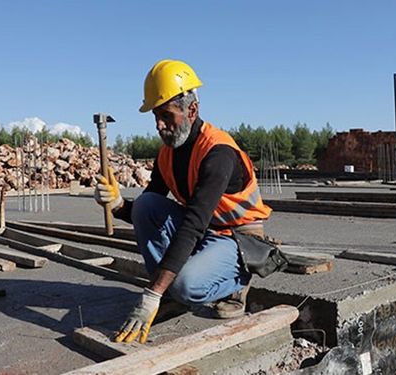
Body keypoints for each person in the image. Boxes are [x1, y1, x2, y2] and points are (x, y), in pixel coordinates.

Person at [94, 59, 272, 344]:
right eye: (155, 117)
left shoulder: (218, 153)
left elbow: (192, 225)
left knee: (186, 284)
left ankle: (236, 284)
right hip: (206, 233)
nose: (159, 126)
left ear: (192, 109)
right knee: (147, 204)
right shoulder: (168, 153)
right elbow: (147, 213)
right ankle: (171, 292)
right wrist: (117, 205)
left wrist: (150, 295)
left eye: (166, 116)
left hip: (238, 239)